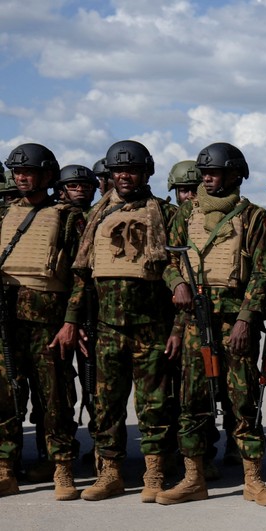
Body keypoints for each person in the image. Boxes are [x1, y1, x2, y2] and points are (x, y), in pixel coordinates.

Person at [50, 139, 176, 503]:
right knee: (106, 406)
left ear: (145, 172)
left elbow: (177, 269)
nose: (124, 175)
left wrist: (178, 327)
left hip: (151, 327)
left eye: (132, 169)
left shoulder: (164, 214)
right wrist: (73, 321)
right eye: (119, 170)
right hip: (106, 328)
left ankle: (154, 473)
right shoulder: (96, 217)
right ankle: (111, 474)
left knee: (153, 405)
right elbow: (81, 277)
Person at [156, 142, 266, 506]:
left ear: (235, 174)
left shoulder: (254, 217)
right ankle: (194, 477)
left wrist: (245, 319)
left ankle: (252, 479)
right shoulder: (185, 214)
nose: (207, 177)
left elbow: (261, 273)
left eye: (215, 172)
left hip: (235, 323)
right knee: (192, 401)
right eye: (204, 172)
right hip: (196, 323)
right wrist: (176, 283)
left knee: (244, 401)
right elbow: (166, 259)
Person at [0, 143, 85, 501]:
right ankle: (5, 467)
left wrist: (71, 321)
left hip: (49, 322)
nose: (22, 176)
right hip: (7, 319)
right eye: (18, 171)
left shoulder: (67, 217)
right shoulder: (3, 213)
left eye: (30, 171)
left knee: (55, 399)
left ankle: (61, 467)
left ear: (48, 176)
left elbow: (82, 276)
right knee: (5, 395)